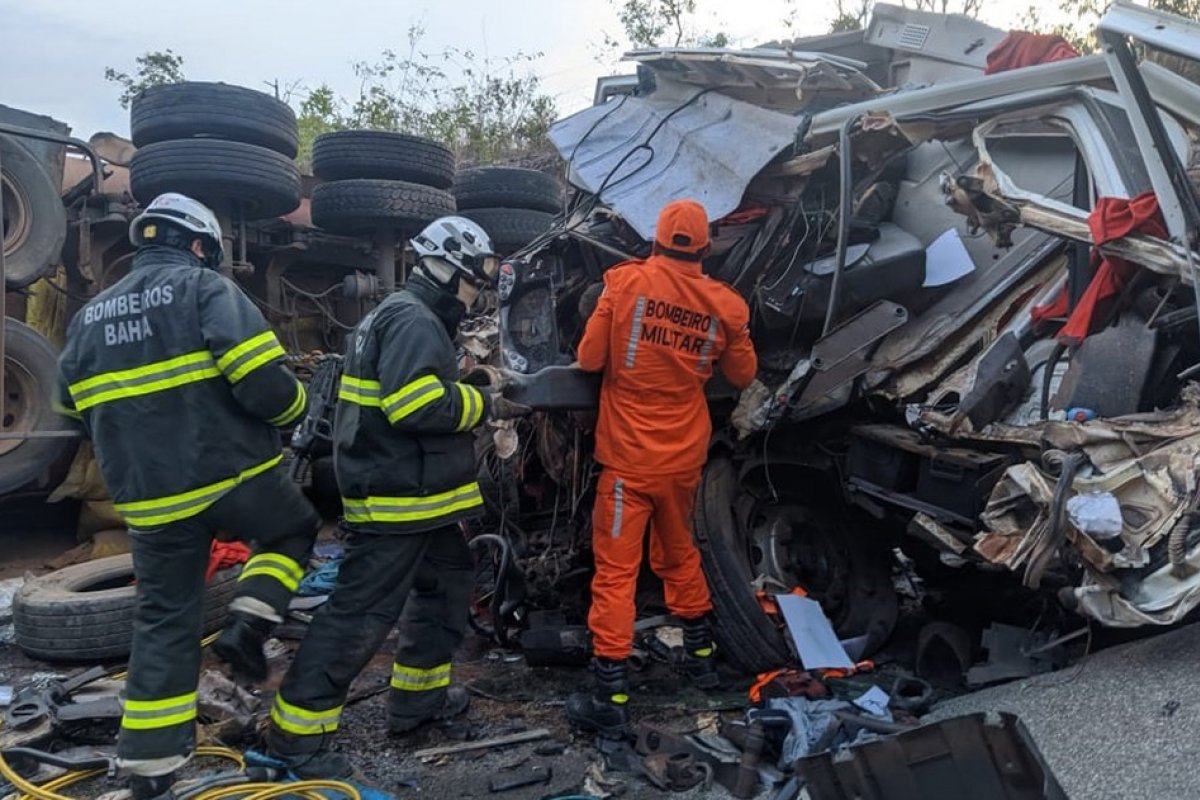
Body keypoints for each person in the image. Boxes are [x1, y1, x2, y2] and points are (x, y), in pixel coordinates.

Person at [55, 193, 321, 800]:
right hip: (227, 476)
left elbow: (71, 410)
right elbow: (263, 384)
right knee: (291, 529)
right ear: (199, 245)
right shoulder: (205, 290)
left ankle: (150, 773)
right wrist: (298, 407)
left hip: (147, 501)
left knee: (165, 622)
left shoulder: (88, 317)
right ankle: (251, 621)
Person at [264, 216, 530, 778]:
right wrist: (489, 406)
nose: (475, 290)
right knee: (358, 615)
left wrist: (473, 386)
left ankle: (418, 703)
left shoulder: (403, 314)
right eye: (472, 278)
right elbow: (415, 408)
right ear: (448, 269)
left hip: (422, 500)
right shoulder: (413, 320)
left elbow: (416, 392)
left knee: (445, 593)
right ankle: (296, 736)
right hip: (399, 500)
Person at [566, 198, 758, 739]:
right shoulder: (725, 304)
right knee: (680, 555)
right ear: (704, 247)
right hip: (682, 461)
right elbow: (742, 375)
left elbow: (588, 360)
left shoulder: (625, 284)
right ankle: (700, 661)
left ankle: (611, 691)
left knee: (617, 573)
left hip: (628, 462)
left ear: (654, 239)